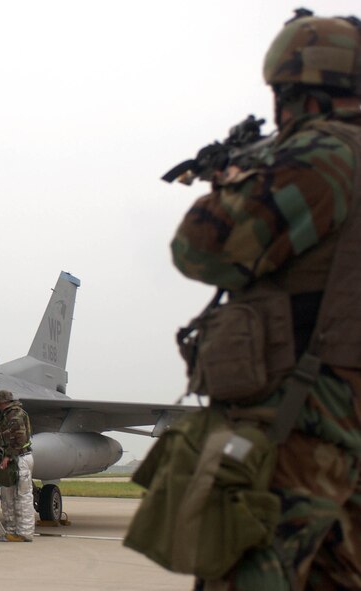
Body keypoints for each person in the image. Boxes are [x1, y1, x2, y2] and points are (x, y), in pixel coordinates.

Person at [170, 11, 361, 590]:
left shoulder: (325, 156)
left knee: (240, 570)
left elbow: (199, 248)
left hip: (304, 425)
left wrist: (230, 181)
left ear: (292, 89)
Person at [0, 390, 34, 542]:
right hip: (15, 458)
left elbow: (19, 438)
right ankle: (12, 530)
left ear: (1, 402)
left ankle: (24, 533)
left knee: (22, 497)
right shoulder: (10, 415)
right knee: (8, 496)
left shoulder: (14, 416)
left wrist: (8, 456)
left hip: (19, 459)